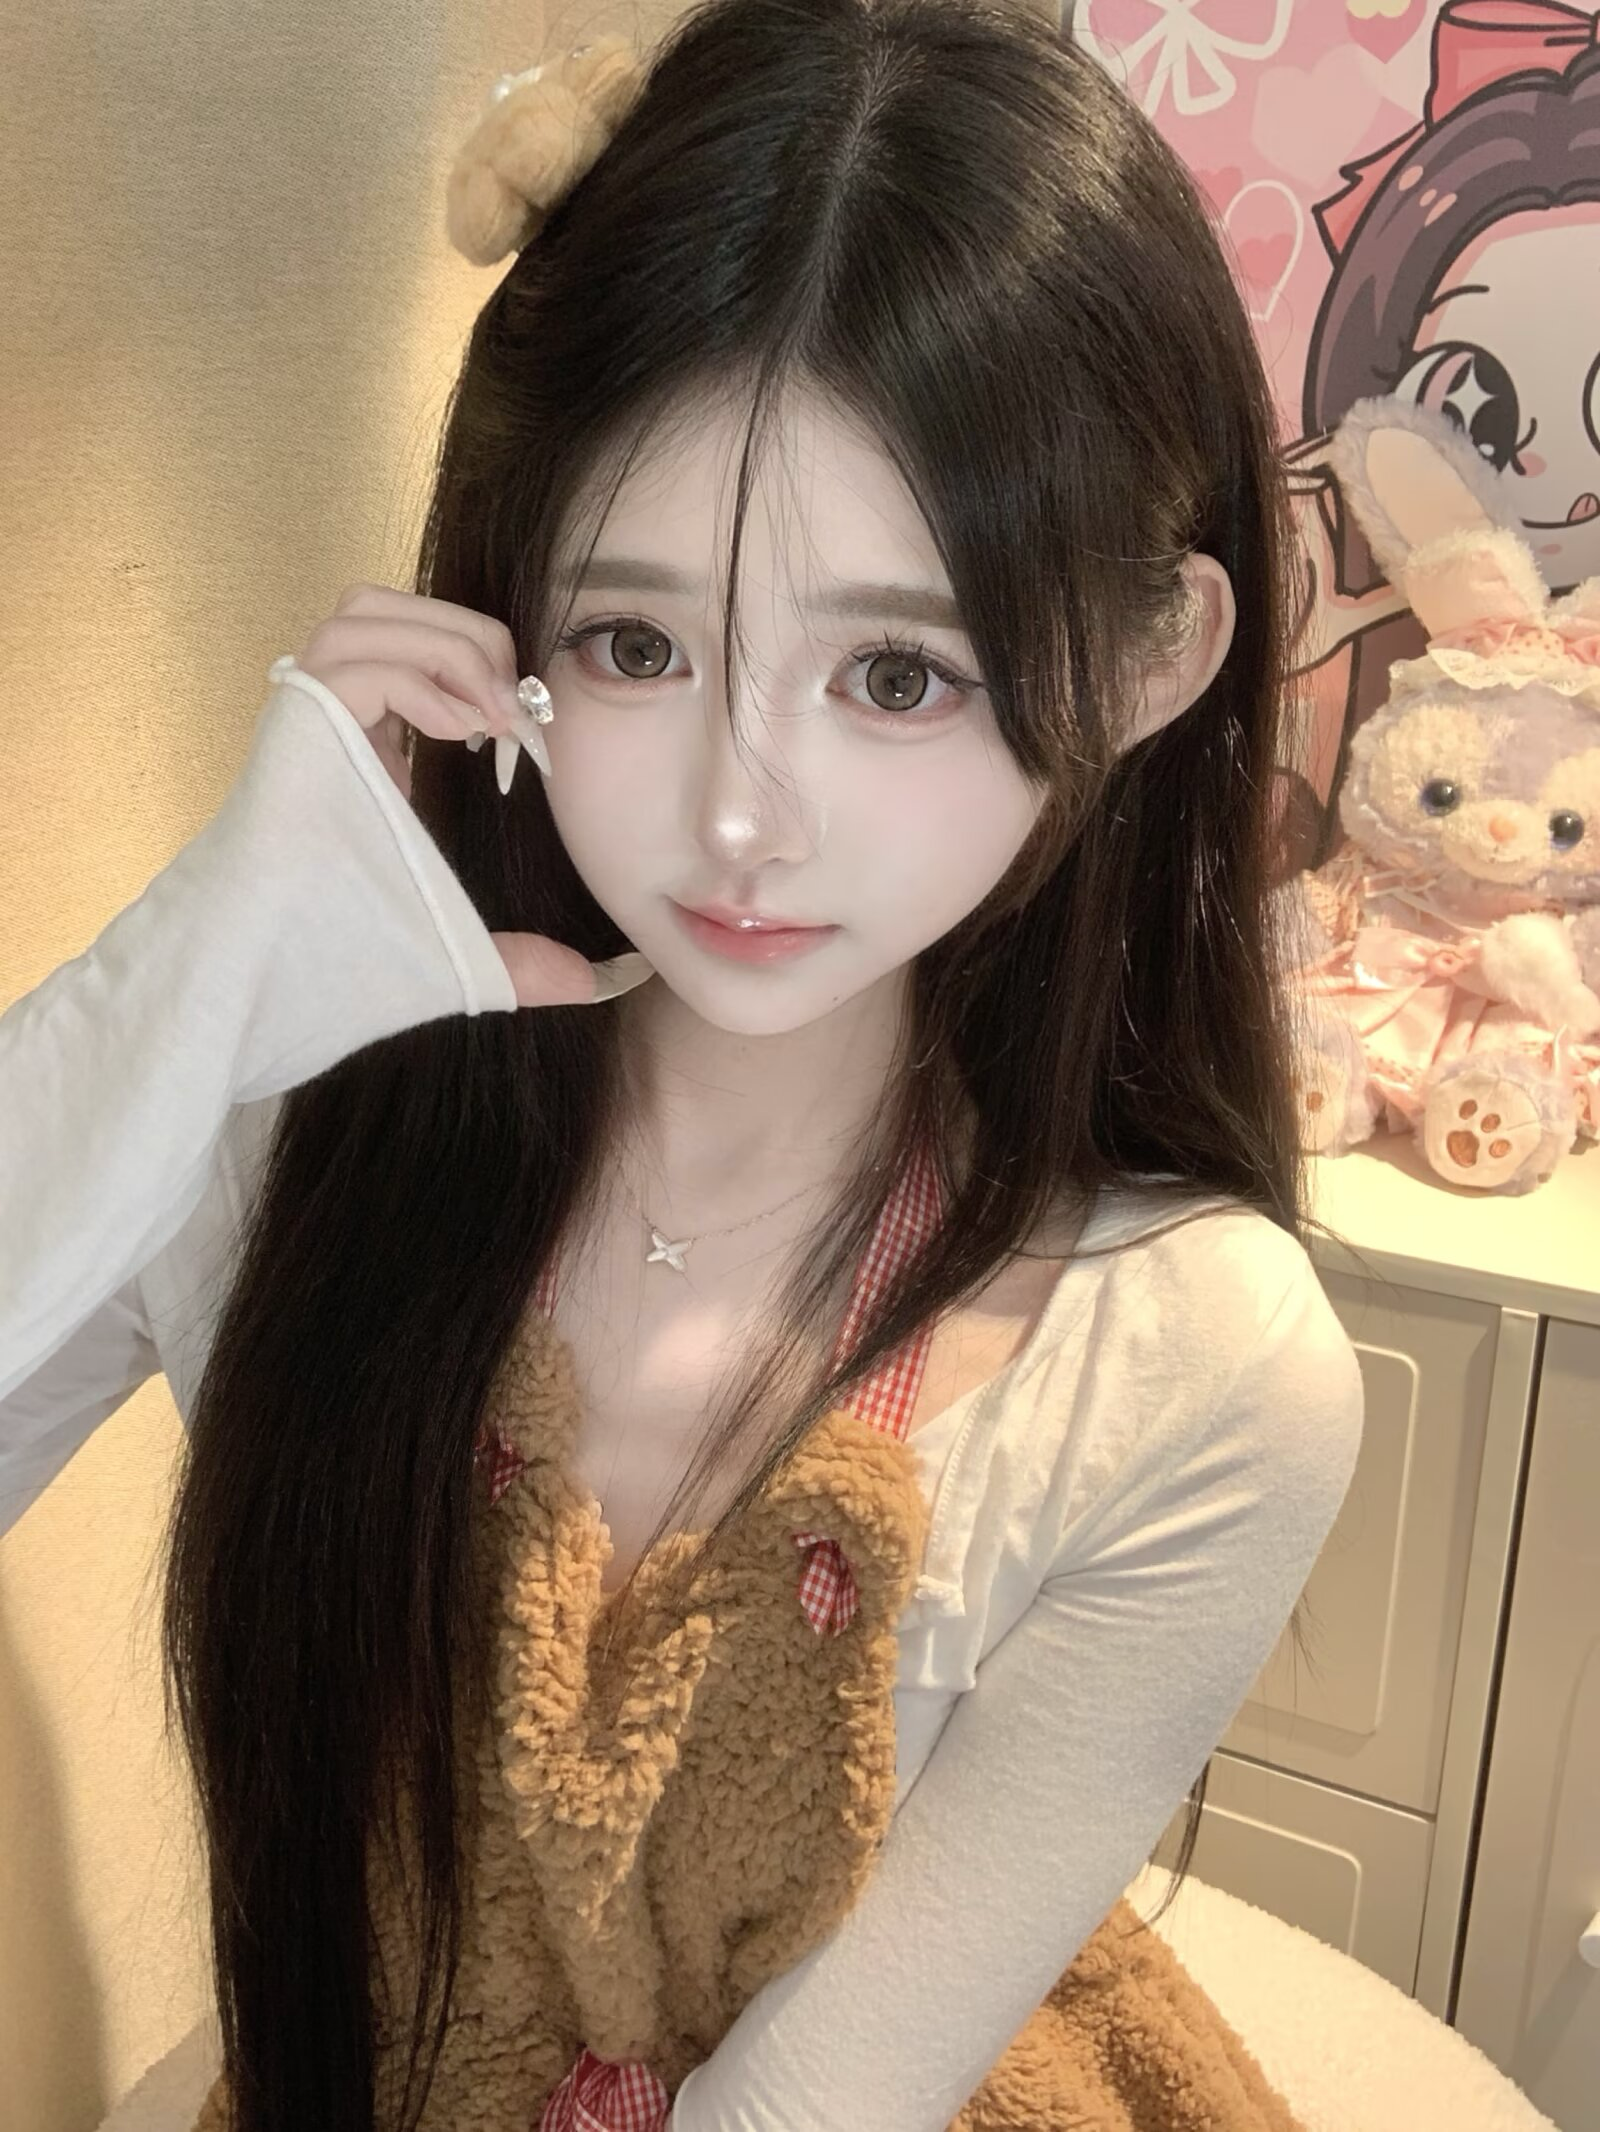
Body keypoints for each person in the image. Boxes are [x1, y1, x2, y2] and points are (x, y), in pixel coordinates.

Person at [0, 3, 1365, 2128]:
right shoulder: (274, 1134)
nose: (739, 814)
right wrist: (181, 982)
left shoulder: (1190, 1355)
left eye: (895, 673)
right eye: (635, 643)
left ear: (1140, 661)